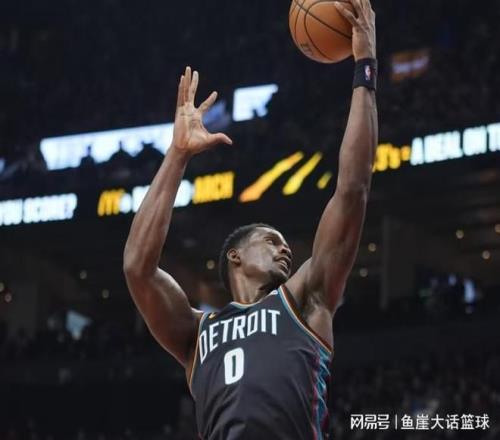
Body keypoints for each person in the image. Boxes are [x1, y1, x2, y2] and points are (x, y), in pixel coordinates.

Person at [123, 0, 377, 437]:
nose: (285, 249)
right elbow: (137, 268)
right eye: (271, 240)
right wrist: (177, 155)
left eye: (284, 243)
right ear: (234, 256)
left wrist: (365, 67)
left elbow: (352, 189)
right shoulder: (197, 333)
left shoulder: (306, 299)